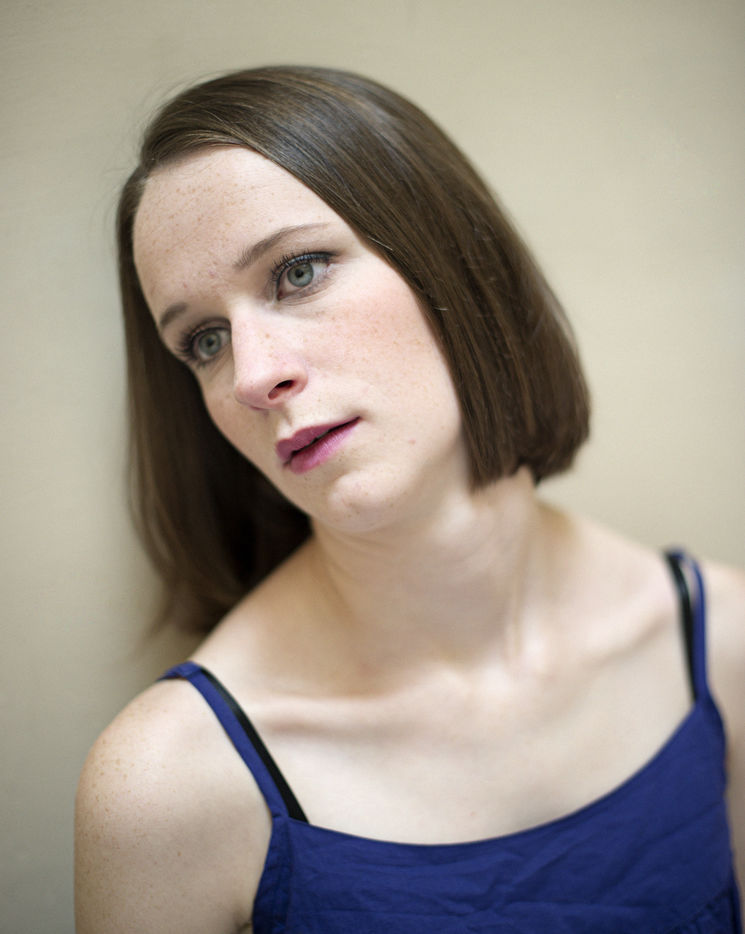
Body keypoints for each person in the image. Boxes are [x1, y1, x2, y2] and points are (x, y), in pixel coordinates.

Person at [74, 66, 744, 933]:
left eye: (297, 272)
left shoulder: (722, 645)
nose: (251, 376)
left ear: (449, 261)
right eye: (204, 340)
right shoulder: (166, 784)